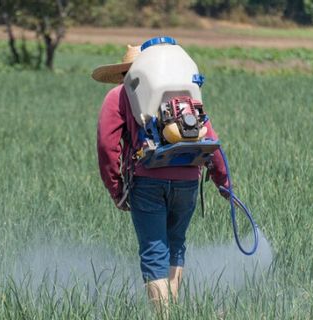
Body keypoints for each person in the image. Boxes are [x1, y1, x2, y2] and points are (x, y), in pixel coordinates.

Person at [92, 43, 229, 309]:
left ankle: (163, 316)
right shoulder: (180, 93)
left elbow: (107, 146)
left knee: (155, 252)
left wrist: (116, 189)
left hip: (148, 180)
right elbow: (209, 137)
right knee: (176, 246)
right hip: (188, 179)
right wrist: (224, 183)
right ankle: (174, 310)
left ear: (125, 73)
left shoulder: (118, 95)